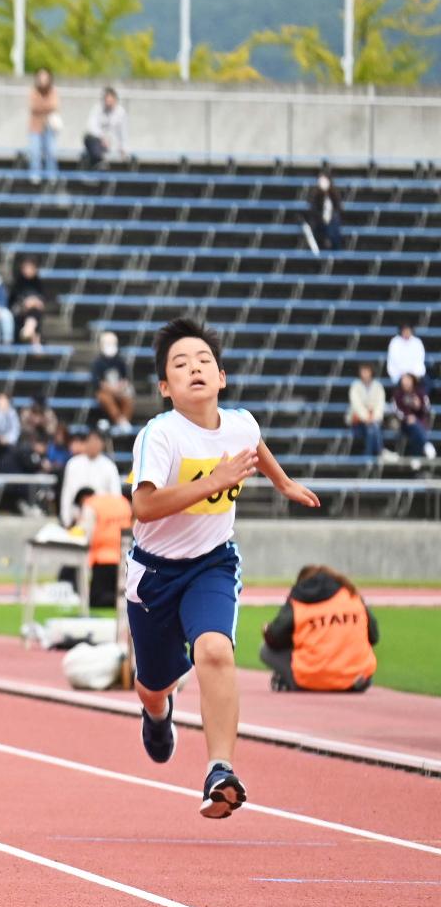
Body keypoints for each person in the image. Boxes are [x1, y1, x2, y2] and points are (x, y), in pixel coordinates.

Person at [126, 317, 319, 819]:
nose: (195, 369)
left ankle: (220, 770)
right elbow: (143, 508)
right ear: (166, 387)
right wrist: (214, 481)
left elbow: (254, 447)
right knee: (152, 683)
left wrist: (284, 484)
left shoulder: (242, 423)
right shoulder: (160, 436)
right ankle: (158, 713)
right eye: (181, 364)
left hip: (212, 563)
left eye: (204, 361)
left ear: (222, 377)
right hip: (153, 575)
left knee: (215, 649)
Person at [259, 565, 379, 693]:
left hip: (311, 678)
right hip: (356, 679)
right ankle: (347, 678)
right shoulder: (352, 595)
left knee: (266, 650)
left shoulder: (299, 599)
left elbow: (275, 637)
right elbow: (374, 636)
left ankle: (298, 680)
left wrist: (267, 630)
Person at [75, 484, 133, 609]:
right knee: (119, 592)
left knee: (97, 599)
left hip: (102, 558)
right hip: (123, 556)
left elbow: (85, 531)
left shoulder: (91, 504)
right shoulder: (123, 502)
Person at [59, 426, 121, 526]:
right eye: (91, 441)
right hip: (77, 516)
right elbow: (67, 494)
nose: (93, 444)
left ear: (102, 444)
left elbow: (116, 496)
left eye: (97, 441)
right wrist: (66, 520)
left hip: (102, 517)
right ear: (86, 442)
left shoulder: (110, 466)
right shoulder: (73, 464)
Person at [90, 331, 137, 435]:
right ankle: (119, 420)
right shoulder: (97, 363)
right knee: (107, 399)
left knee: (129, 398)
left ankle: (124, 421)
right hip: (104, 392)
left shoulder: (120, 361)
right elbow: (98, 383)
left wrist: (120, 387)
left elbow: (126, 379)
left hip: (119, 389)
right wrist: (111, 389)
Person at [10, 255, 52, 350]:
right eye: (26, 268)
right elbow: (13, 301)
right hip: (18, 313)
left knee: (35, 310)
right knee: (33, 310)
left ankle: (29, 331)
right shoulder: (17, 283)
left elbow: (43, 299)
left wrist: (36, 302)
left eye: (31, 268)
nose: (28, 270)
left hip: (34, 313)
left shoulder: (39, 283)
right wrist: (25, 303)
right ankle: (34, 338)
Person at [348, 363, 387, 460]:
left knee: (372, 428)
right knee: (373, 428)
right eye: (363, 371)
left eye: (367, 371)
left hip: (374, 420)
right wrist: (366, 417)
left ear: (371, 372)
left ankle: (368, 455)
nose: (364, 373)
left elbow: (380, 405)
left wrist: (373, 417)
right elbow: (356, 404)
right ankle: (379, 452)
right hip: (359, 421)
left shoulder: (378, 386)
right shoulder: (355, 386)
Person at [26, 68, 60, 182]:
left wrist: (42, 107)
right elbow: (33, 107)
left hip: (49, 127)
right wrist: (46, 107)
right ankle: (35, 175)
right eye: (40, 77)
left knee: (51, 152)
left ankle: (52, 176)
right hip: (35, 127)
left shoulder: (53, 91)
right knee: (34, 152)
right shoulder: (33, 91)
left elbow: (54, 106)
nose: (42, 80)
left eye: (45, 77)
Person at [82, 87, 129, 166]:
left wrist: (123, 148)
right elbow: (90, 127)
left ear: (115, 100)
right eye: (107, 101)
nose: (108, 104)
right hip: (96, 142)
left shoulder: (121, 112)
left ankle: (100, 162)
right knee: (89, 138)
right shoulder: (97, 108)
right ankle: (100, 161)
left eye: (110, 101)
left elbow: (123, 132)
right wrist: (102, 137)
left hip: (109, 145)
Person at [303, 168, 344, 252]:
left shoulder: (334, 194)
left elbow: (338, 208)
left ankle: (334, 248)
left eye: (324, 181)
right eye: (321, 181)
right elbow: (313, 210)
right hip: (319, 223)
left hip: (332, 222)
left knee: (334, 226)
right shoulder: (315, 195)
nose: (322, 183)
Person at [395, 373, 434, 460]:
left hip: (420, 423)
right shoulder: (398, 394)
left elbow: (427, 408)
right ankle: (426, 444)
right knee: (414, 426)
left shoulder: (420, 393)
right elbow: (396, 410)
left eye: (407, 380)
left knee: (416, 429)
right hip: (405, 425)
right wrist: (407, 417)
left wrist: (419, 406)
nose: (405, 382)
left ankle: (416, 460)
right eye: (403, 380)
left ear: (412, 380)